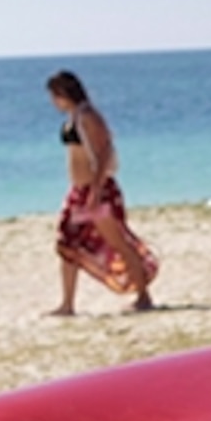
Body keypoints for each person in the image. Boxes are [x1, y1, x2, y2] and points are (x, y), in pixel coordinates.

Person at [47, 70, 159, 314]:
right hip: (78, 191)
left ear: (64, 93)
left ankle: (144, 296)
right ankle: (67, 304)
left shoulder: (88, 116)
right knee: (67, 243)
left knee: (118, 242)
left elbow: (105, 150)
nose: (52, 102)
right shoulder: (73, 117)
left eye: (54, 96)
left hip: (97, 190)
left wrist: (96, 191)